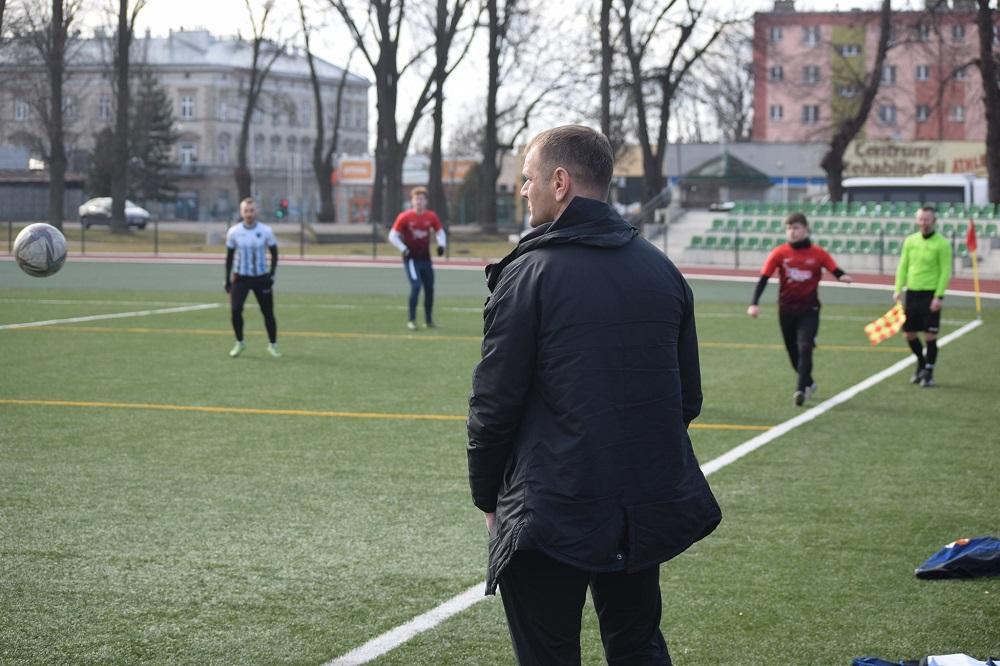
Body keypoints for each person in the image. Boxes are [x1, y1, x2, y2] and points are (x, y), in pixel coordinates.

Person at [467, 125, 721, 665]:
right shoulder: (661, 269)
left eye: (529, 178)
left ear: (560, 182)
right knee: (638, 647)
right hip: (638, 507)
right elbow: (686, 399)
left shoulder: (530, 273)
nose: (523, 190)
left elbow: (493, 407)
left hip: (549, 510)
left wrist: (488, 498)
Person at [747, 212, 853, 406]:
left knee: (805, 347)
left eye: (796, 228)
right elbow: (764, 278)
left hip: (809, 309)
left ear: (805, 229)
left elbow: (834, 268)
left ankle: (800, 390)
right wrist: (754, 303)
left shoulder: (818, 253)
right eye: (789, 228)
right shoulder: (779, 253)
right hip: (786, 310)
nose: (792, 232)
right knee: (792, 351)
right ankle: (809, 382)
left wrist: (842, 276)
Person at [893, 205, 952, 387]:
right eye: (921, 219)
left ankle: (929, 372)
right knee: (909, 334)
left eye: (927, 219)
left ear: (934, 221)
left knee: (930, 336)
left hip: (930, 294)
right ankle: (921, 362)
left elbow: (945, 271)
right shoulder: (910, 241)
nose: (924, 222)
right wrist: (898, 288)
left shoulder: (942, 244)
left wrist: (939, 296)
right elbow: (903, 266)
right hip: (912, 293)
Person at [224, 197, 280, 358]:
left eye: (252, 210)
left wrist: (271, 274)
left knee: (267, 312)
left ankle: (273, 344)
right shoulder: (234, 232)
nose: (249, 214)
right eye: (246, 211)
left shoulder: (266, 231)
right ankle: (239, 342)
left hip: (261, 278)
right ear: (241, 212)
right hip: (240, 278)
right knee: (235, 310)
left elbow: (275, 254)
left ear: (257, 212)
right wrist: (227, 279)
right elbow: (229, 257)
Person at [388, 187, 447, 330]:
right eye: (416, 199)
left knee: (429, 289)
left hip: (426, 259)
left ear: (426, 201)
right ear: (412, 201)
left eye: (421, 199)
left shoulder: (431, 216)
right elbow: (392, 236)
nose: (419, 201)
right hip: (411, 259)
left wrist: (441, 245)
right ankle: (412, 320)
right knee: (416, 286)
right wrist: (404, 249)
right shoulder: (405, 217)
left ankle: (428, 321)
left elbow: (440, 232)